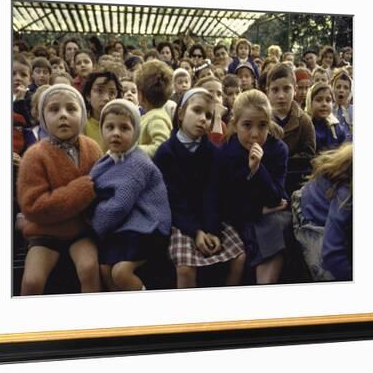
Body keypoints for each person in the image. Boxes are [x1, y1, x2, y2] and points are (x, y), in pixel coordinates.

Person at [154, 88, 246, 288]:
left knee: (239, 256)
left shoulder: (213, 153)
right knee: (185, 268)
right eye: (196, 111)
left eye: (208, 115)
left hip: (210, 219)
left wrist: (211, 229)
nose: (202, 118)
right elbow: (172, 199)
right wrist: (195, 231)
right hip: (180, 222)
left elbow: (213, 194)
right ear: (180, 114)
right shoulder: (166, 153)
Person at [16, 84, 103, 295]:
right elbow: (33, 206)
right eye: (54, 110)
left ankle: (93, 324)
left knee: (90, 269)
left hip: (80, 231)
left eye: (71, 109)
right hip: (45, 234)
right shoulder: (34, 155)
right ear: (43, 117)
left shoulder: (92, 148)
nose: (63, 115)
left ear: (82, 114)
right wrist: (80, 190)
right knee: (32, 281)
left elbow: (102, 190)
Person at [89, 99, 172, 291]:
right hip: (126, 225)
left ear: (135, 132)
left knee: (121, 272)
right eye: (109, 127)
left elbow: (120, 205)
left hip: (149, 225)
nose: (116, 133)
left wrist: (93, 225)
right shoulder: (106, 160)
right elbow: (91, 186)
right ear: (102, 130)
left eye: (124, 128)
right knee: (103, 268)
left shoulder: (138, 163)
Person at [218, 90, 291, 284]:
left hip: (270, 217)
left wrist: (258, 170)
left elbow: (277, 197)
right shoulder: (226, 152)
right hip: (240, 217)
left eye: (262, 125)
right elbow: (226, 202)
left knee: (274, 224)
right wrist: (260, 208)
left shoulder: (277, 149)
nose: (255, 134)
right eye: (247, 125)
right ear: (235, 124)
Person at [291, 144, 353, 281]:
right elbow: (332, 253)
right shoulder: (345, 194)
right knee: (328, 275)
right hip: (309, 216)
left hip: (325, 203)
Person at [267, 63, 316, 158]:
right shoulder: (261, 119)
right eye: (275, 90)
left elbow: (308, 154)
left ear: (295, 90)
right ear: (267, 91)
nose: (281, 96)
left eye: (286, 89)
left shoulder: (304, 121)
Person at [136, 60, 174, 158]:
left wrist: (133, 150)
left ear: (140, 95)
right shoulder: (151, 115)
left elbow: (161, 147)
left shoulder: (156, 117)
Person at [82, 70, 123, 151]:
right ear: (88, 96)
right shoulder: (82, 124)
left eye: (112, 93)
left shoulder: (123, 124)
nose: (106, 98)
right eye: (99, 91)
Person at [305, 83, 347, 152]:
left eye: (328, 100)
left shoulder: (337, 128)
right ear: (310, 102)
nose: (324, 104)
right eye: (319, 100)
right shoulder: (304, 125)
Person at [331, 69, 353, 141]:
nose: (341, 90)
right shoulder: (328, 111)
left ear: (350, 91)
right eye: (338, 87)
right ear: (333, 89)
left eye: (346, 88)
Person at [12, 53, 34, 127]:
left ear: (30, 80)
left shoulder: (32, 99)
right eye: (13, 73)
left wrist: (20, 101)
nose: (18, 78)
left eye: (23, 75)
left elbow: (29, 124)